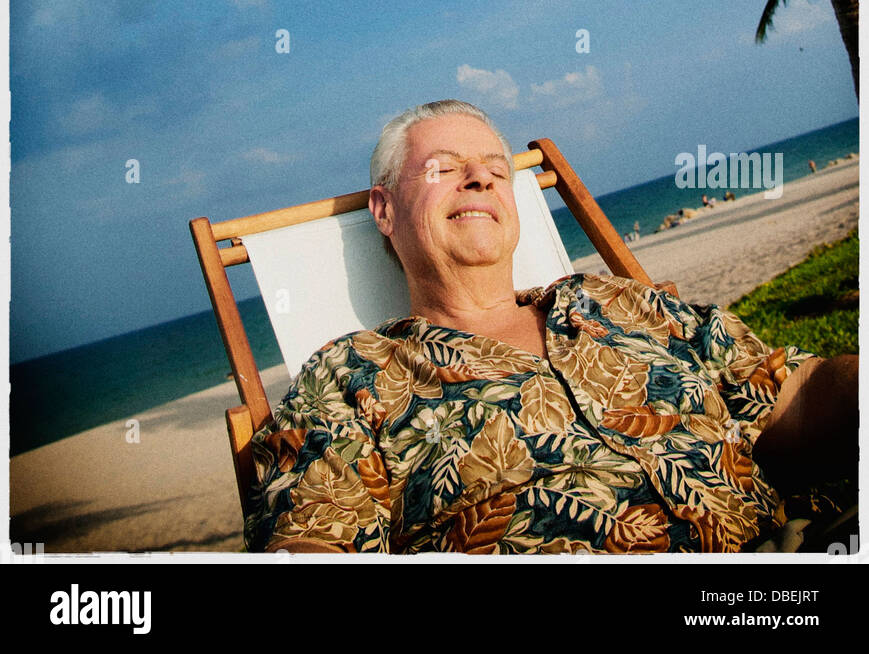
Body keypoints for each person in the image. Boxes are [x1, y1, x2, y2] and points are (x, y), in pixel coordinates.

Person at [244, 101, 858, 554]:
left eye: (493, 168)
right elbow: (311, 542)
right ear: (383, 209)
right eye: (444, 168)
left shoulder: (618, 303)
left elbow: (796, 399)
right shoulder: (352, 377)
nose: (481, 178)